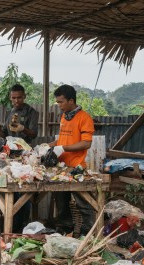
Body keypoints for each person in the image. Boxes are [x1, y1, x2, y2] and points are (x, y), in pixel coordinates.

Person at [48, 84, 96, 236]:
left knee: (83, 203)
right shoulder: (64, 117)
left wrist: (64, 148)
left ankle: (88, 233)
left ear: (71, 100)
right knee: (61, 203)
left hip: (77, 168)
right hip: (61, 167)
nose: (59, 105)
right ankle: (66, 231)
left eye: (61, 102)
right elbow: (63, 140)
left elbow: (86, 143)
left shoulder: (85, 118)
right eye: (57, 102)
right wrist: (48, 146)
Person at [0, 84, 39, 232]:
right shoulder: (10, 112)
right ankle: (10, 226)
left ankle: (22, 227)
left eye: (19, 97)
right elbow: (5, 136)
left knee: (23, 190)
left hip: (25, 157)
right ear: (10, 97)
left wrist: (23, 128)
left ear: (24, 96)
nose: (16, 100)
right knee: (8, 190)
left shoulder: (32, 112)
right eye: (13, 98)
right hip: (9, 156)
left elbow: (34, 134)